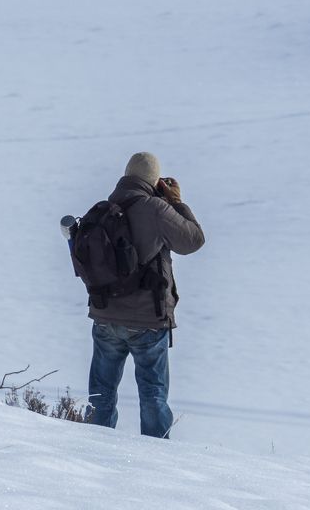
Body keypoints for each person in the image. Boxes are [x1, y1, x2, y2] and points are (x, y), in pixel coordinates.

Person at [87, 151, 205, 439]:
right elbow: (193, 240)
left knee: (101, 394)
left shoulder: (103, 209)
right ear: (154, 181)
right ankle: (156, 463)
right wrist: (176, 202)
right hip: (147, 321)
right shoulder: (155, 208)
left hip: (105, 317)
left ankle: (91, 450)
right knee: (152, 395)